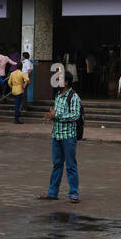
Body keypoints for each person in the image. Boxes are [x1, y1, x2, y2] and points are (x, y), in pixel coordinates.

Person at [39, 69, 81, 203]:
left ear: (67, 82)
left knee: (70, 165)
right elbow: (57, 113)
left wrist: (56, 115)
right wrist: (51, 115)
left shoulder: (73, 97)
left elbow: (75, 115)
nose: (57, 81)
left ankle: (74, 193)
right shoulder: (58, 95)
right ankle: (52, 192)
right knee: (57, 164)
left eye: (59, 79)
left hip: (68, 136)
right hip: (56, 135)